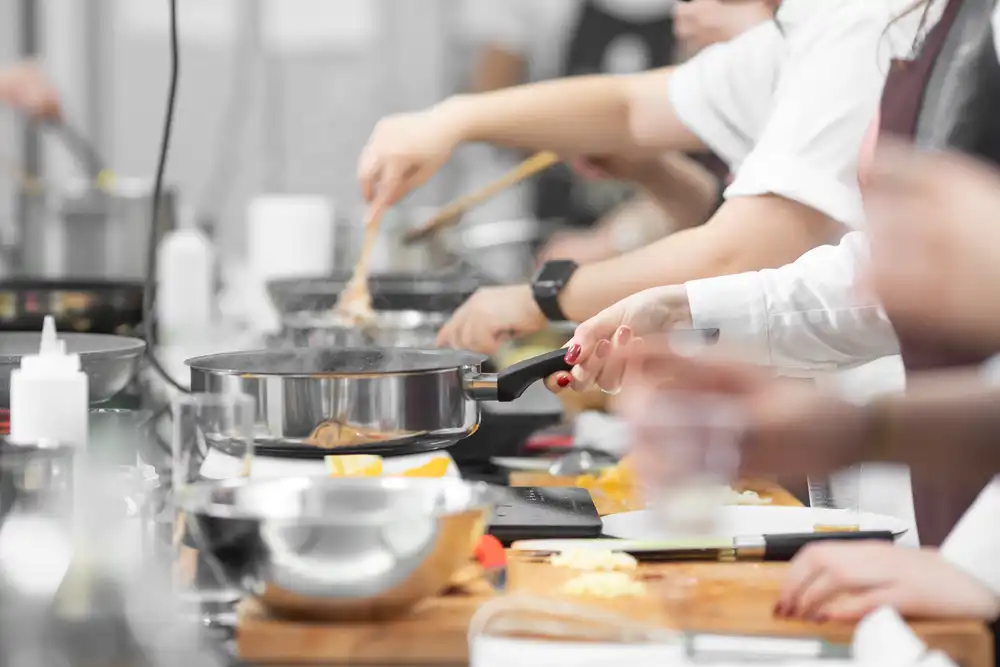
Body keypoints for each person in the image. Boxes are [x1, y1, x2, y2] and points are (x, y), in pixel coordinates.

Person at [359, 0, 937, 356]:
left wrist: (542, 298)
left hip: (890, 405)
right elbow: (631, 107)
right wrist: (453, 119)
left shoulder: (857, 23)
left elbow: (742, 249)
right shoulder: (806, 26)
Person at [461, 0, 767, 266]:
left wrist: (618, 241)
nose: (691, 13)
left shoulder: (763, 58)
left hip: (688, 259)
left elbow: (747, 227)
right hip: (568, 215)